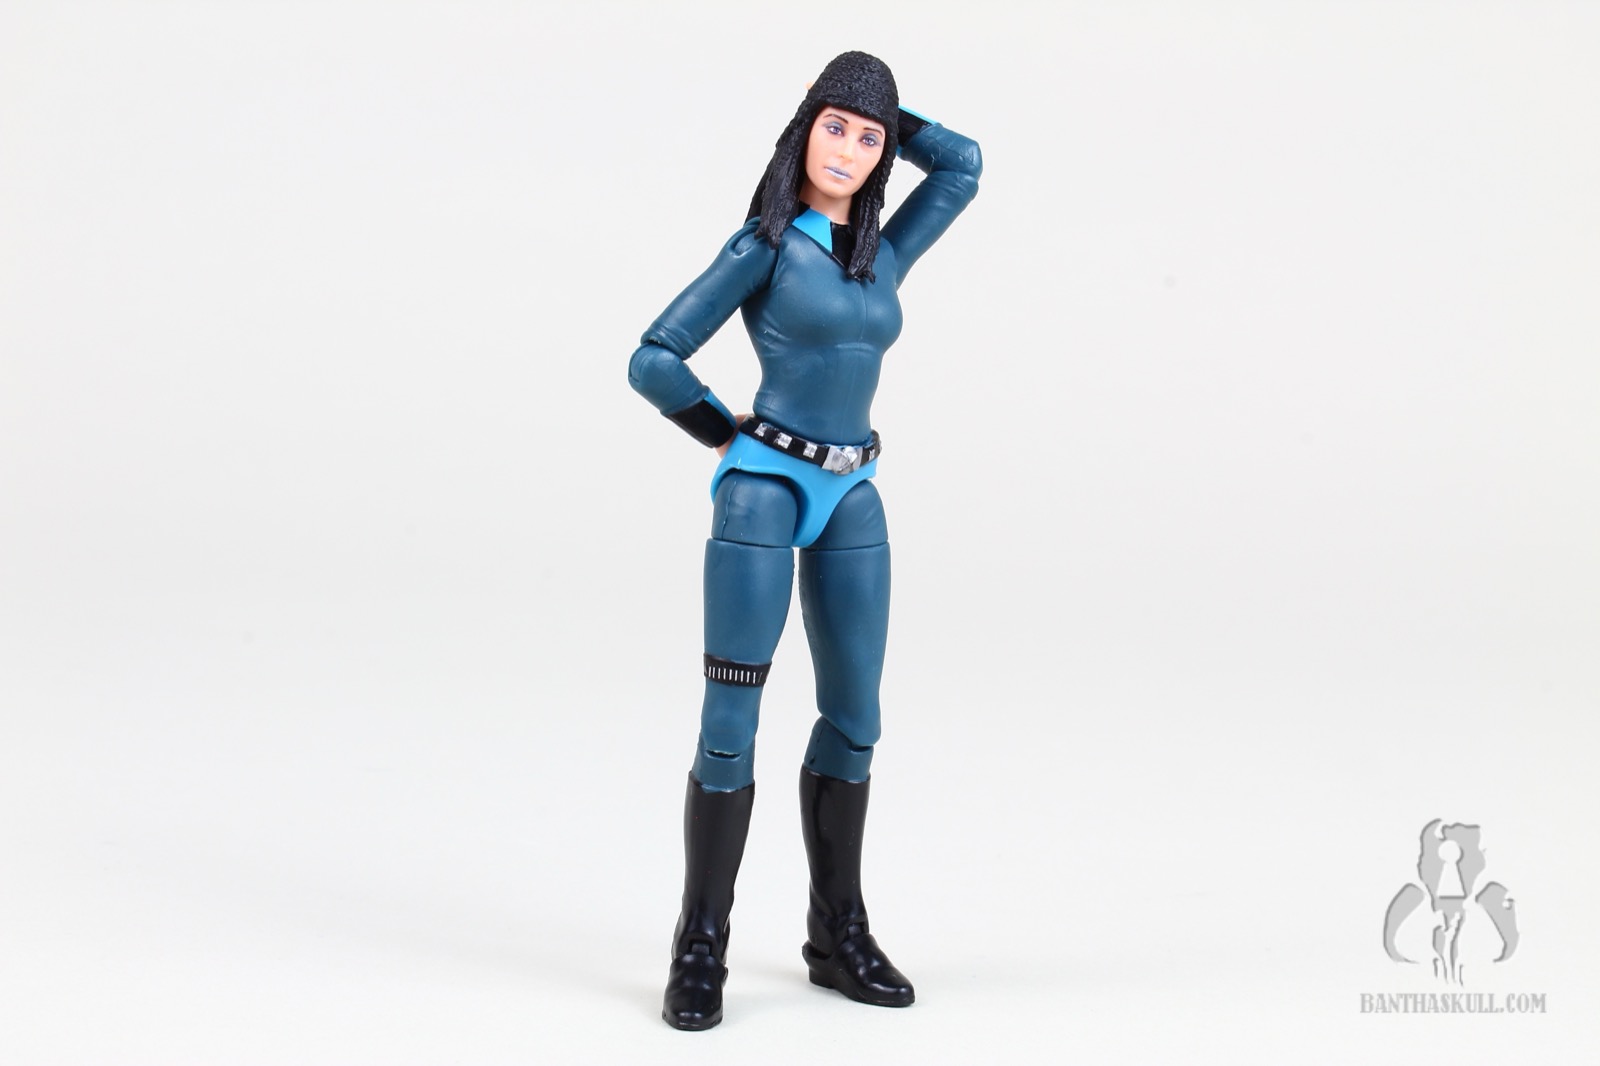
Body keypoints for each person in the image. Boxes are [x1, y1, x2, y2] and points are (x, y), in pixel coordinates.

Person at [627, 50, 981, 1031]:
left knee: (856, 717)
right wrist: (720, 430)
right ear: (802, 131)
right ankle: (701, 944)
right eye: (834, 125)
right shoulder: (768, 245)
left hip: (853, 490)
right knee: (729, 723)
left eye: (869, 138)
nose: (849, 149)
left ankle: (837, 933)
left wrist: (890, 112)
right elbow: (654, 357)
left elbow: (963, 165)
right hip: (764, 494)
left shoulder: (882, 254)